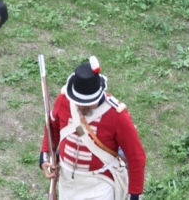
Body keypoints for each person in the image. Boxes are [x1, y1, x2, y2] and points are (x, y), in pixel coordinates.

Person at [40, 57, 146, 200]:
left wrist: (135, 195)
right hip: (67, 180)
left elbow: (136, 157)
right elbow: (52, 127)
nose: (82, 107)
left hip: (99, 184)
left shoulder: (117, 115)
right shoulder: (64, 100)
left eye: (88, 103)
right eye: (79, 102)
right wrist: (45, 156)